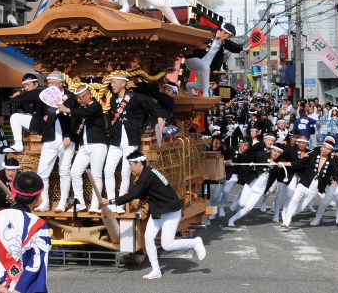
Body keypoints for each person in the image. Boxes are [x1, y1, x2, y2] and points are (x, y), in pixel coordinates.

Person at [101, 151, 206, 280]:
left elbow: (134, 194)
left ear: (139, 164)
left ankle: (195, 242)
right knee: (148, 237)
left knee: (167, 245)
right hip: (158, 211)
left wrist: (110, 201)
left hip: (170, 211)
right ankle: (156, 271)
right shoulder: (148, 173)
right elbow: (145, 192)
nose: (129, 168)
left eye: (131, 164)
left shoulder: (147, 175)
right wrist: (132, 194)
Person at [0, 172, 50, 293]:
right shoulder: (39, 225)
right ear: (38, 198)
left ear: (13, 193)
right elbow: (37, 263)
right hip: (25, 289)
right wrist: (19, 289)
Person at [104, 72, 163, 213]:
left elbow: (152, 106)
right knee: (108, 170)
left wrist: (159, 119)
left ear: (123, 83)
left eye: (115, 82)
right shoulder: (112, 99)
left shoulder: (136, 97)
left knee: (126, 172)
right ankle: (111, 201)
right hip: (116, 139)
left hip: (130, 139)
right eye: (111, 82)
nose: (112, 84)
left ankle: (119, 204)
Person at [58, 84, 108, 214]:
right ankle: (80, 203)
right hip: (84, 146)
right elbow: (77, 116)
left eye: (81, 97)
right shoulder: (82, 108)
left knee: (96, 175)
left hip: (97, 145)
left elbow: (86, 112)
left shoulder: (96, 106)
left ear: (89, 94)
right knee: (74, 172)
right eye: (77, 98)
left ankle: (96, 204)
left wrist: (68, 110)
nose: (79, 100)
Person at [34, 71, 76, 212]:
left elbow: (75, 119)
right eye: (48, 83)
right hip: (50, 136)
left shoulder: (70, 96)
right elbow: (39, 114)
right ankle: (45, 202)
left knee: (64, 171)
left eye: (53, 83)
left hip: (66, 138)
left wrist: (69, 136)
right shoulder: (44, 97)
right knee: (42, 171)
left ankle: (62, 202)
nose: (50, 86)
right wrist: (43, 122)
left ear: (61, 83)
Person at [279, 140, 336, 228]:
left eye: (328, 149)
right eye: (324, 147)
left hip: (315, 186)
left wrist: (335, 180)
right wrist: (284, 163)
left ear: (331, 151)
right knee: (294, 199)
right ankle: (287, 221)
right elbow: (299, 163)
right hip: (304, 181)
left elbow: (335, 173)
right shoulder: (313, 154)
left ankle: (288, 214)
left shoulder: (332, 161)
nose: (325, 150)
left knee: (301, 207)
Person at [184, 23, 250, 96]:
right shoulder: (208, 31)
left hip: (203, 65)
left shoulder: (224, 42)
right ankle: (206, 95)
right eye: (229, 36)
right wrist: (186, 28)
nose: (229, 38)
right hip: (192, 58)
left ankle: (189, 86)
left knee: (203, 85)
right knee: (205, 68)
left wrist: (245, 49)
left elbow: (232, 45)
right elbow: (194, 27)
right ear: (223, 32)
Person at [228, 143, 285, 227]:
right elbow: (246, 157)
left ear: (281, 154)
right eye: (274, 151)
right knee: (242, 204)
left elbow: (289, 164)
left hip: (260, 189)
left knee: (248, 207)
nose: (275, 153)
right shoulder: (262, 155)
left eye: (278, 152)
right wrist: (232, 160)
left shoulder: (279, 164)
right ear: (271, 150)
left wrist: (282, 165)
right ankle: (238, 199)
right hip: (251, 183)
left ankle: (232, 219)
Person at [211, 136, 252, 218]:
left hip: (234, 175)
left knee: (226, 190)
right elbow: (221, 157)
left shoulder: (248, 155)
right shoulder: (231, 149)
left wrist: (233, 161)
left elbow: (242, 159)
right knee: (216, 194)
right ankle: (213, 210)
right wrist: (224, 162)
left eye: (248, 146)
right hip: (222, 173)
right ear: (240, 143)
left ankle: (222, 206)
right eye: (245, 145)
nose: (246, 148)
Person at [5, 73, 43, 153]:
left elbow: (18, 100)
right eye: (25, 86)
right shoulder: (41, 92)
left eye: (28, 85)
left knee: (15, 117)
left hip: (42, 123)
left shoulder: (38, 92)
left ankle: (18, 144)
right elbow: (30, 110)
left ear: (36, 84)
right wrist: (21, 105)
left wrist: (15, 97)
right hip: (42, 122)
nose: (26, 88)